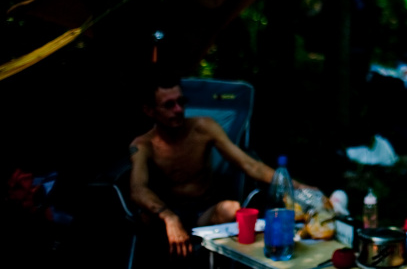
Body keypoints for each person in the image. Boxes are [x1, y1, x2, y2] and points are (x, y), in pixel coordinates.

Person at [129, 75, 303, 258]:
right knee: (145, 216)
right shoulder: (143, 145)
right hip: (166, 212)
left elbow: (249, 165)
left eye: (181, 101)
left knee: (231, 208)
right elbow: (137, 189)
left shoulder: (203, 127)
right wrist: (169, 216)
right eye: (169, 105)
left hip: (203, 213)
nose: (179, 109)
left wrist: (299, 187)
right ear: (149, 111)